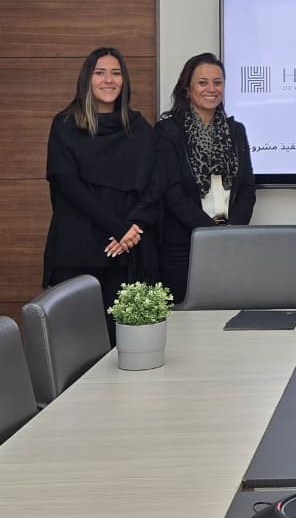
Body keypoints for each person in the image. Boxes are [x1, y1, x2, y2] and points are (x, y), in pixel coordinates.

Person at [43, 47, 158, 344]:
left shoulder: (140, 129)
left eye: (116, 73)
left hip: (126, 253)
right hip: (79, 250)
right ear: (87, 79)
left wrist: (131, 229)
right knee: (77, 345)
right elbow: (69, 187)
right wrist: (119, 229)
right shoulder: (65, 125)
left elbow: (154, 186)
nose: (109, 80)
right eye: (100, 73)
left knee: (124, 346)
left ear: (124, 81)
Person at [155, 52, 255, 303]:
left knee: (228, 313)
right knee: (185, 318)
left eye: (217, 82)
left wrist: (232, 231)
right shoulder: (169, 130)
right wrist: (210, 232)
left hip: (231, 242)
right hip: (183, 245)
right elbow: (171, 192)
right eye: (202, 82)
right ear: (187, 89)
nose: (211, 89)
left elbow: (247, 189)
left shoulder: (236, 131)